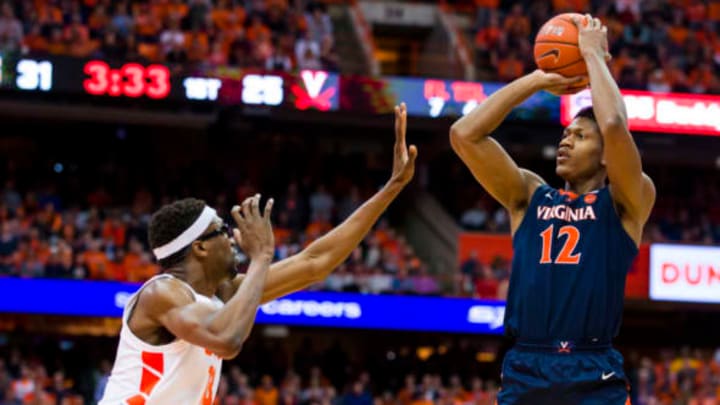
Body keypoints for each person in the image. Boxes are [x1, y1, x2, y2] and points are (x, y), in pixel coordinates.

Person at [99, 103, 417, 404]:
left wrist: (391, 188)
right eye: (223, 229)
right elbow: (225, 338)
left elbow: (315, 263)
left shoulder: (221, 295)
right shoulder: (162, 293)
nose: (233, 236)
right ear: (200, 247)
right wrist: (262, 256)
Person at [450, 14, 655, 405]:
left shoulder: (627, 200)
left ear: (606, 158)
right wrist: (539, 79)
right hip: (527, 365)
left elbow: (613, 125)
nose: (566, 142)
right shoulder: (529, 195)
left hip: (594, 367)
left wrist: (593, 56)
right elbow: (464, 135)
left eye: (579, 137)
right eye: (565, 134)